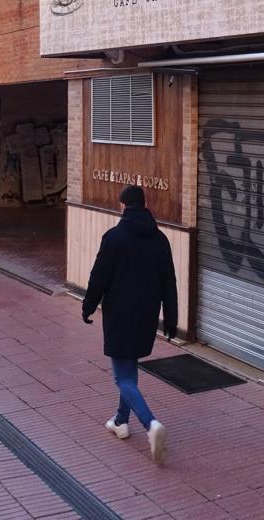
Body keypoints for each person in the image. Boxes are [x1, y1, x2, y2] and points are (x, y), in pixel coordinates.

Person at [82, 185, 178, 464]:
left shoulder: (114, 238)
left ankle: (151, 424)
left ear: (122, 206)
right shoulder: (160, 239)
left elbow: (99, 276)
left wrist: (88, 306)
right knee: (130, 366)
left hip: (120, 315)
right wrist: (171, 318)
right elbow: (168, 282)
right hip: (147, 314)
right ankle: (121, 421)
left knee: (122, 377)